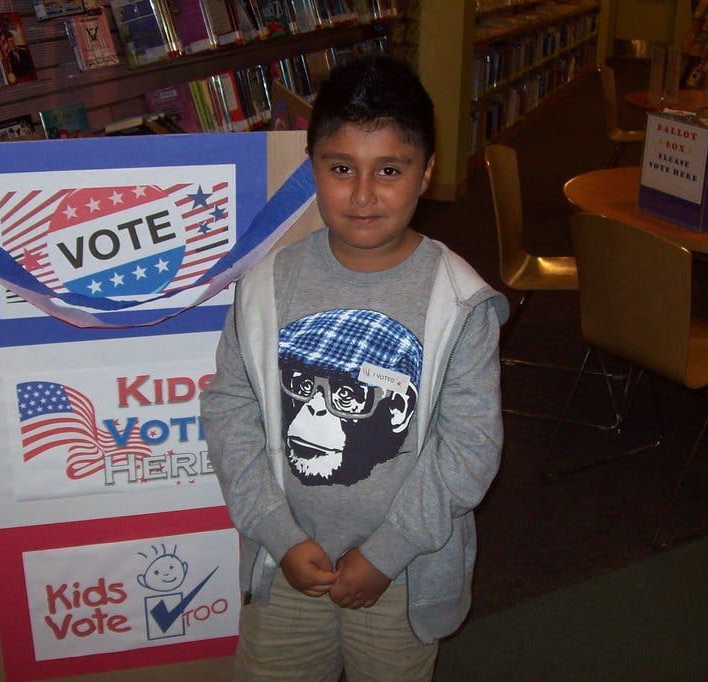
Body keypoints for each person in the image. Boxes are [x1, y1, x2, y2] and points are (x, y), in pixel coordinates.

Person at [200, 54, 508, 680]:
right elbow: (231, 410)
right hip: (288, 563)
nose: (363, 194)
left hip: (404, 571)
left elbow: (470, 447)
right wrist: (278, 535)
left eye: (388, 170)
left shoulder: (459, 302)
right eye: (342, 168)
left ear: (425, 174)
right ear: (312, 167)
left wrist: (386, 553)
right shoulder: (264, 288)